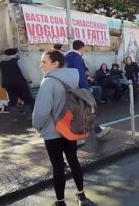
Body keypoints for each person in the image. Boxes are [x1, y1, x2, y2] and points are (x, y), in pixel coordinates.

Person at [32, 50, 89, 206]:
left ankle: (60, 201)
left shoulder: (48, 82)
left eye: (44, 62)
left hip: (52, 132)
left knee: (58, 167)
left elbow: (42, 111)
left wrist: (37, 127)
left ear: (55, 63)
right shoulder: (73, 78)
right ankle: (81, 194)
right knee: (73, 161)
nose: (41, 65)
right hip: (70, 127)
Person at [65, 40, 110, 139]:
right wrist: (87, 90)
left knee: (80, 113)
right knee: (86, 111)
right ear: (81, 48)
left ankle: (97, 131)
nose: (84, 50)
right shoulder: (77, 59)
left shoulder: (66, 57)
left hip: (68, 89)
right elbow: (80, 76)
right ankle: (96, 132)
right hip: (77, 90)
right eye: (84, 49)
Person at [0, 48, 34, 123]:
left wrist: (2, 83)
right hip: (20, 83)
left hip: (8, 84)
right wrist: (29, 80)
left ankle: (14, 118)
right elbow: (24, 71)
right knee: (27, 99)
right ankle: (29, 116)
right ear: (15, 53)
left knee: (12, 100)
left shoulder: (1, 63)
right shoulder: (18, 61)